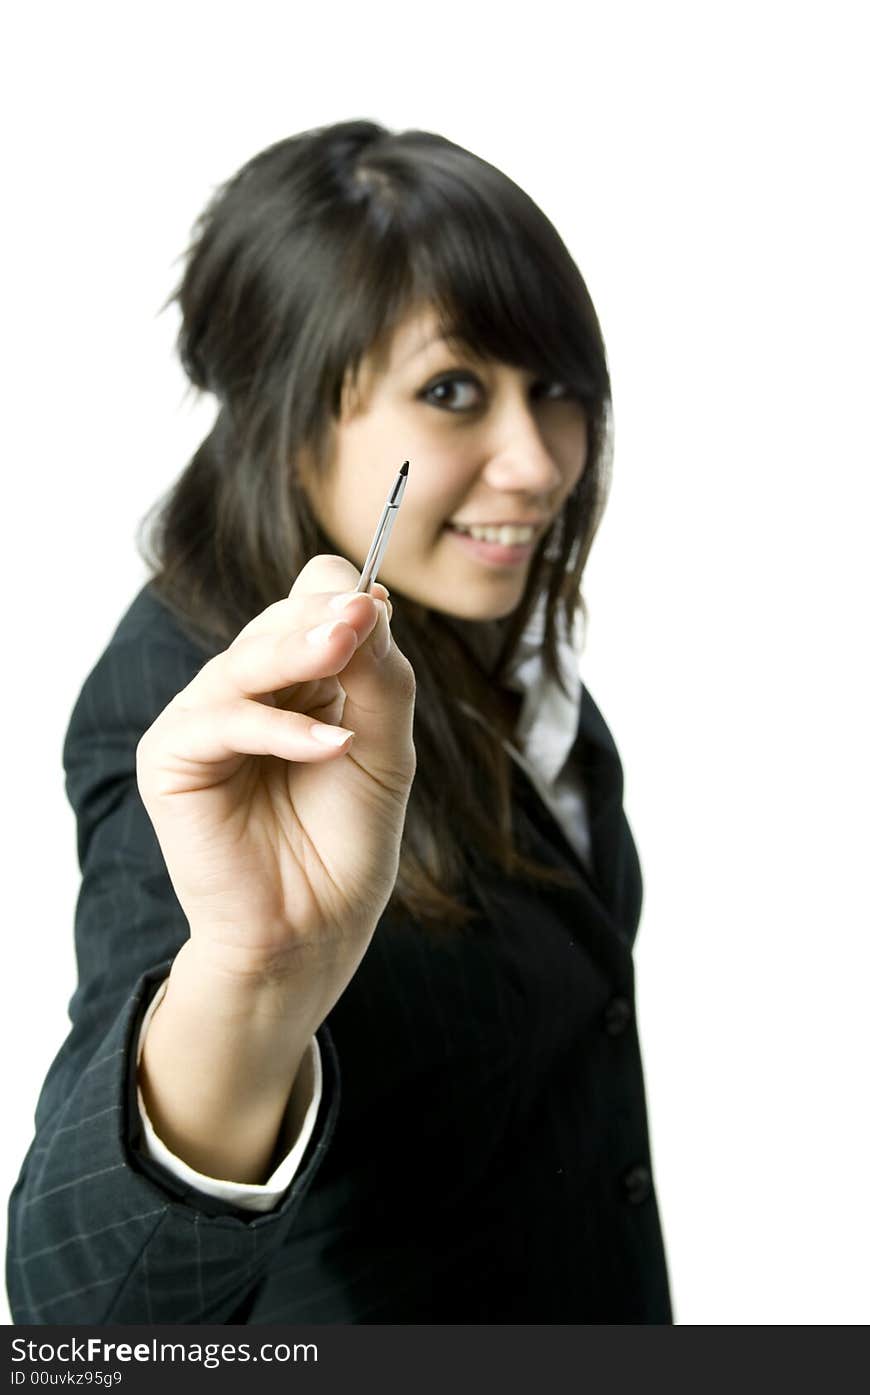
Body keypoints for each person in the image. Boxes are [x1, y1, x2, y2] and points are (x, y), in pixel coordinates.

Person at [6, 119, 673, 1324]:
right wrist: (250, 982)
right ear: (287, 406)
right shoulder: (204, 718)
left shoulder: (476, 644)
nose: (535, 463)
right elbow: (85, 1314)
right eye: (453, 391)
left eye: (557, 390)